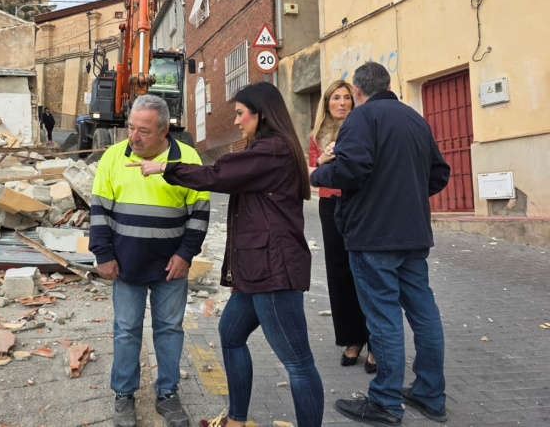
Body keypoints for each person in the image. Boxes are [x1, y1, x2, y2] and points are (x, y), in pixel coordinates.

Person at [129, 82, 324, 427]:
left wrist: (165, 167)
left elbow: (217, 175)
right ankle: (235, 421)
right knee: (231, 335)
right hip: (257, 268)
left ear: (260, 114)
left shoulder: (272, 150)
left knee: (297, 361)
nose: (236, 121)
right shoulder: (268, 149)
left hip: (273, 269)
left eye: (239, 113)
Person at [311, 62, 450, 427]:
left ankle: (386, 401)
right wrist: (407, 194)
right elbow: (439, 174)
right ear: (388, 85)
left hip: (373, 235)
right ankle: (430, 394)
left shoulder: (362, 118)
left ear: (357, 91)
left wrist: (318, 174)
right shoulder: (415, 119)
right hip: (414, 233)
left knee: (384, 317)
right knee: (424, 313)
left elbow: (351, 171)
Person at [89, 94, 210, 427]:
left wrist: (186, 254)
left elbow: (199, 213)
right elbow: (99, 210)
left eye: (142, 130)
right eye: (131, 127)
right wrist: (103, 254)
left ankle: (168, 395)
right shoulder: (114, 157)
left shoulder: (187, 159)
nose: (134, 137)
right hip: (126, 264)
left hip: (171, 266)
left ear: (163, 131)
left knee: (169, 330)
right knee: (126, 330)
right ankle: (124, 395)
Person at [308, 79, 375, 374]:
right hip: (329, 205)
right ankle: (352, 339)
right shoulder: (316, 136)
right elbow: (310, 175)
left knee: (367, 271)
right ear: (327, 103)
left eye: (347, 97)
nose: (342, 102)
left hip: (358, 204)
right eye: (336, 98)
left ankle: (376, 342)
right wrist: (325, 159)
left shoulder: (363, 129)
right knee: (339, 272)